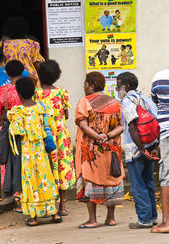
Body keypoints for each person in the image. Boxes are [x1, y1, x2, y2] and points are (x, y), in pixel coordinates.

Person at [7, 77, 62, 226]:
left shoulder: (18, 111)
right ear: (34, 92)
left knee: (30, 181)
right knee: (46, 178)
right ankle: (53, 213)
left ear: (18, 93)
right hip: (41, 152)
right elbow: (50, 126)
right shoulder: (42, 108)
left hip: (26, 153)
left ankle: (33, 217)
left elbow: (16, 131)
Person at [75, 71, 124, 229]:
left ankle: (92, 220)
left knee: (91, 179)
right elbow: (121, 126)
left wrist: (97, 137)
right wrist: (107, 136)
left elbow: (83, 125)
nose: (84, 87)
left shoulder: (85, 102)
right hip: (111, 151)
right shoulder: (114, 102)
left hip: (92, 152)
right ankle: (111, 218)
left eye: (85, 84)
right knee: (111, 179)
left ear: (91, 86)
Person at [116, 71, 158, 229]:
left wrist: (140, 149)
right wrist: (153, 147)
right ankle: (153, 217)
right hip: (149, 145)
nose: (117, 88)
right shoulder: (145, 97)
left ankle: (144, 219)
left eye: (119, 85)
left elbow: (132, 126)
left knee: (137, 185)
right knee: (148, 182)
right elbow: (155, 123)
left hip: (135, 148)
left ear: (126, 86)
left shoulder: (127, 100)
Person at [35, 60, 76, 215]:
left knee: (46, 167)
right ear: (57, 76)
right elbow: (65, 115)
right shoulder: (62, 93)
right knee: (61, 167)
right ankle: (62, 207)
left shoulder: (36, 93)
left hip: (43, 135)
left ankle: (48, 205)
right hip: (60, 135)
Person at [0, 46, 29, 162]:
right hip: (20, 117)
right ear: (3, 58)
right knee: (21, 152)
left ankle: (4, 178)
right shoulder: (14, 71)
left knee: (2, 153)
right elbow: (33, 78)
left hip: (0, 119)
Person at [0, 16, 45, 86]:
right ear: (25, 29)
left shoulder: (2, 44)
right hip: (31, 81)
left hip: (10, 80)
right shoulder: (32, 44)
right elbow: (37, 65)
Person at [151, 68, 169, 233]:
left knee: (166, 177)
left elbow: (156, 104)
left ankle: (166, 222)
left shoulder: (159, 77)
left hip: (166, 131)